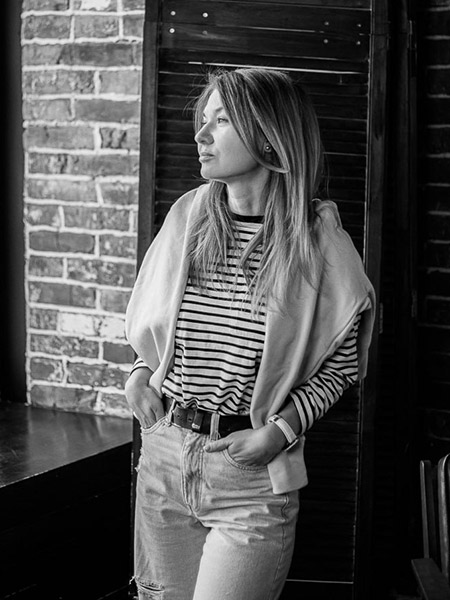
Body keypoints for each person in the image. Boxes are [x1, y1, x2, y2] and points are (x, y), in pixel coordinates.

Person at [125, 67, 375, 600]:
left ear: (268, 134)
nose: (201, 134)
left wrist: (279, 432)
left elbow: (342, 364)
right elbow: (158, 328)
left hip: (250, 476)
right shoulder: (188, 217)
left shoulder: (318, 239)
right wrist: (140, 374)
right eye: (203, 119)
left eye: (221, 120)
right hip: (165, 456)